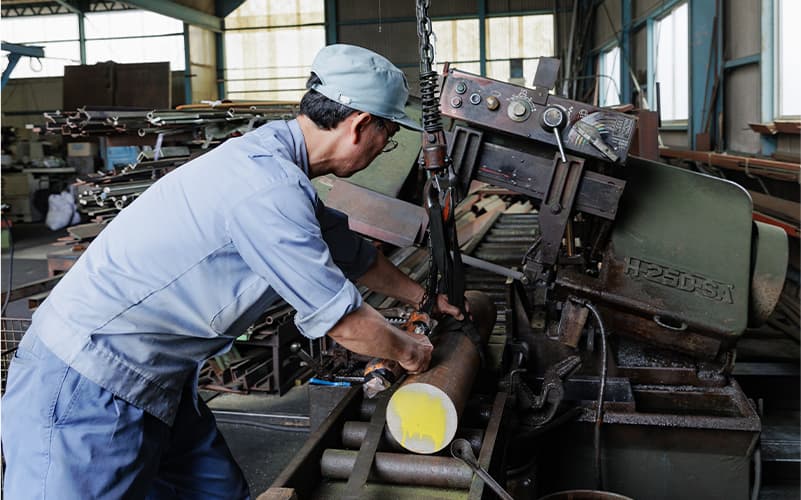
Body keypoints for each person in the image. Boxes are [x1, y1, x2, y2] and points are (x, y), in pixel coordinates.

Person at [2, 44, 465, 499]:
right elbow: (344, 323)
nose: (387, 149)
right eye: (390, 135)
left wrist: (422, 301)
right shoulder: (267, 190)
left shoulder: (275, 160)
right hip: (86, 381)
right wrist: (411, 352)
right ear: (361, 126)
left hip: (158, 377)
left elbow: (353, 254)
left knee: (217, 492)